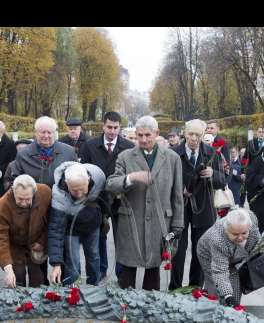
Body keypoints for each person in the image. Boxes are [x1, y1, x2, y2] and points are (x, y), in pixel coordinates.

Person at [106, 116, 184, 291]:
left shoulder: (172, 158)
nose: (143, 140)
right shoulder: (125, 157)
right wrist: (131, 178)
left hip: (160, 221)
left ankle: (151, 306)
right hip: (131, 222)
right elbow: (111, 185)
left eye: (148, 135)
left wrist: (178, 223)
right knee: (127, 270)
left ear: (156, 133)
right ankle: (126, 307)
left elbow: (177, 194)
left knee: (153, 269)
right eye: (139, 135)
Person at [79, 112, 135, 281]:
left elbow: (130, 172)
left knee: (121, 237)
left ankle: (120, 272)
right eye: (109, 127)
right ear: (103, 126)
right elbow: (83, 170)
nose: (112, 131)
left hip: (121, 199)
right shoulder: (90, 145)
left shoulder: (128, 146)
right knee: (99, 237)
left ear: (120, 127)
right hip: (96, 200)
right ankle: (101, 269)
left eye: (116, 128)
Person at [170, 120, 219, 290]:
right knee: (178, 250)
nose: (193, 138)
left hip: (203, 208)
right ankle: (175, 287)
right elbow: (164, 181)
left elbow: (222, 181)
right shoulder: (173, 153)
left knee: (201, 250)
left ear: (203, 135)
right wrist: (178, 188)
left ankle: (195, 288)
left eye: (198, 135)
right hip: (180, 207)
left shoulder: (211, 153)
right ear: (184, 133)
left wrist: (213, 174)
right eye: (190, 134)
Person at [49, 163, 108, 287]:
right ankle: (73, 290)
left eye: (83, 189)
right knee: (73, 260)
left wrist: (104, 214)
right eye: (75, 190)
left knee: (93, 255)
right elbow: (56, 230)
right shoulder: (58, 196)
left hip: (92, 223)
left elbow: (104, 195)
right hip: (71, 228)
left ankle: (94, 286)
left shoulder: (97, 175)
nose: (79, 194)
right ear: (66, 183)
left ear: (88, 180)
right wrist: (56, 263)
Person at [0, 175, 52, 290]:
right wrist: (7, 269)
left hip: (36, 240)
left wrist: (42, 240)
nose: (23, 203)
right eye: (20, 199)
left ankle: (37, 302)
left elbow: (51, 219)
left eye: (27, 199)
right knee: (17, 274)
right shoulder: (2, 206)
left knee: (38, 275)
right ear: (13, 190)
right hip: (14, 244)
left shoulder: (45, 192)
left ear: (35, 192)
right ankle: (18, 302)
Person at [197, 208, 261, 307]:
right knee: (216, 284)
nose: (240, 237)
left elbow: (256, 237)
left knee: (235, 282)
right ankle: (214, 308)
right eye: (235, 234)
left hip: (234, 255)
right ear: (227, 230)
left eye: (244, 233)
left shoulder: (251, 217)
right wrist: (229, 298)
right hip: (208, 253)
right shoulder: (219, 239)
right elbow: (220, 271)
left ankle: (232, 310)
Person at [12, 116, 78, 188]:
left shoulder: (68, 152)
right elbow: (14, 182)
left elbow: (77, 178)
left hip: (61, 198)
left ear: (54, 133)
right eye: (42, 132)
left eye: (49, 132)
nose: (46, 136)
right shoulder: (23, 154)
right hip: (33, 198)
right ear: (35, 132)